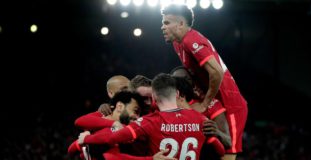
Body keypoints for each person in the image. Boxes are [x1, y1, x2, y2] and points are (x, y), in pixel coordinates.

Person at [161, 4, 248, 160]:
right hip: (214, 100)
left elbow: (217, 72)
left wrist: (204, 103)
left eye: (167, 23)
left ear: (181, 24)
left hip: (230, 104)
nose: (162, 27)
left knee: (228, 155)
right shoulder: (177, 43)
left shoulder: (190, 40)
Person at [79, 73, 208, 160]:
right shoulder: (118, 112)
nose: (147, 102)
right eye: (142, 98)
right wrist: (112, 123)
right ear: (131, 96)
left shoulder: (157, 112)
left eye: (149, 97)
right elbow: (81, 122)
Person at [69, 90, 173, 160]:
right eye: (135, 111)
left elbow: (71, 149)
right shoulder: (110, 126)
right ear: (119, 106)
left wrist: (84, 141)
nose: (137, 117)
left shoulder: (101, 124)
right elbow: (112, 157)